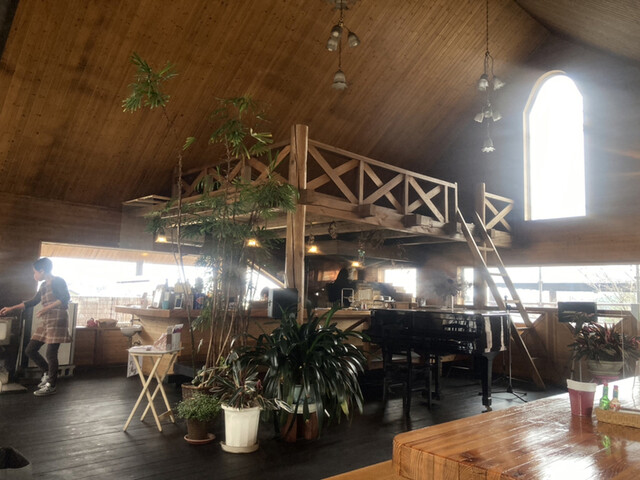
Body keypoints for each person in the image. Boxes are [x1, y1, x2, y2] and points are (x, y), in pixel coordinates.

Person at [0, 257, 71, 396]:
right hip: (47, 320)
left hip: (58, 318)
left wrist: (46, 309)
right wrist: (11, 308)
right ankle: (47, 372)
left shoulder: (58, 281)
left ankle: (51, 385)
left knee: (51, 353)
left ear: (42, 271)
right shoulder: (43, 285)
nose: (34, 275)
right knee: (30, 349)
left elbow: (65, 298)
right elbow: (32, 302)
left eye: (35, 272)